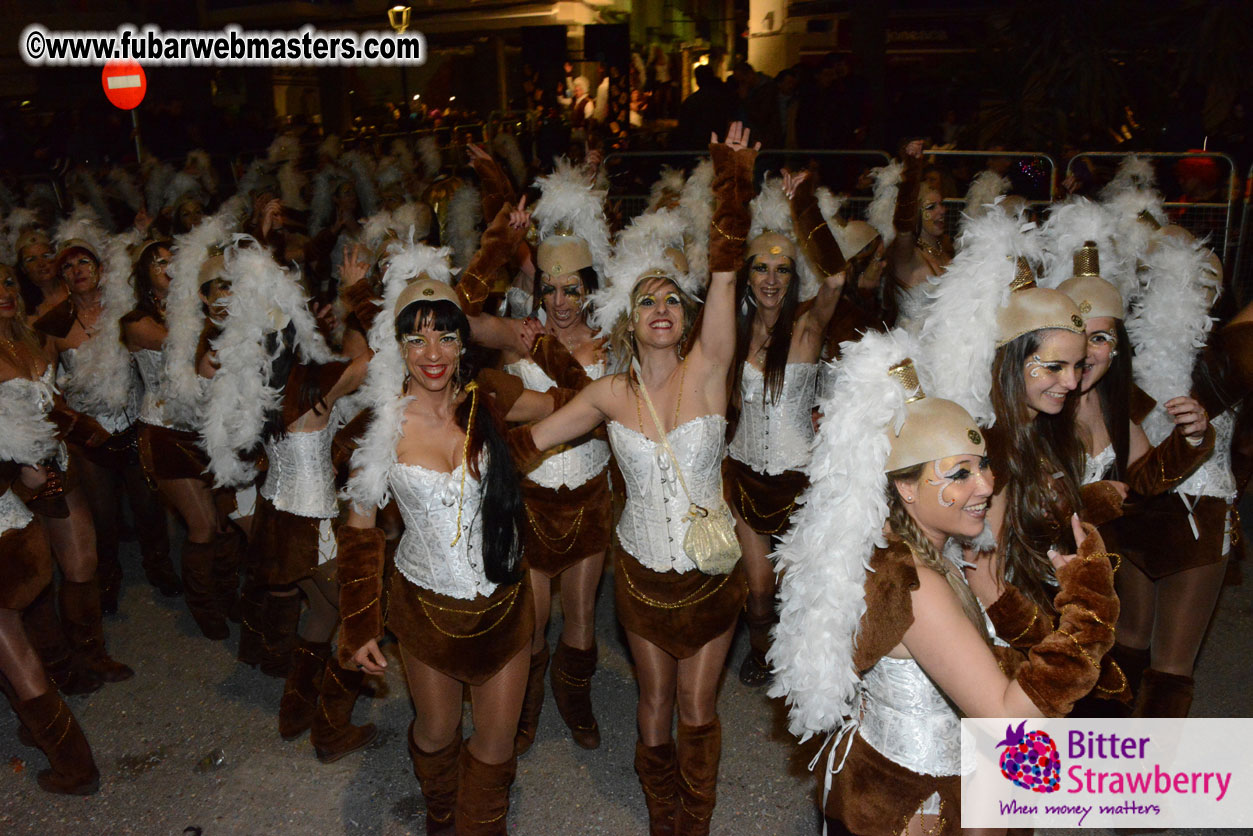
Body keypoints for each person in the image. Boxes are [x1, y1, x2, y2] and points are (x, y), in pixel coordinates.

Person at [769, 332, 1117, 836]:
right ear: (906, 487)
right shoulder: (915, 585)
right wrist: (1090, 609)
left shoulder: (910, 547)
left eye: (982, 465)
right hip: (922, 803)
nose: (986, 485)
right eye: (959, 474)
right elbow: (1003, 718)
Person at [512, 124, 756, 836]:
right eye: (647, 301)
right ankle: (659, 808)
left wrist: (731, 177)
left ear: (684, 319)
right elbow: (529, 443)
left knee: (697, 708)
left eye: (670, 302)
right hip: (643, 576)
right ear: (630, 316)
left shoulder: (709, 371)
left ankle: (696, 816)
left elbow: (723, 271)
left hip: (711, 576)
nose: (659, 309)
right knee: (653, 702)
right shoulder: (607, 393)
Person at [338, 236, 554, 835]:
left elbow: (569, 402)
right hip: (426, 609)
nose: (432, 352)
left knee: (496, 743)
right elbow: (360, 531)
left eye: (447, 335)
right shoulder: (379, 429)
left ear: (464, 342)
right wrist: (358, 627)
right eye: (416, 337)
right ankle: (439, 814)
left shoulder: (490, 399)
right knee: (436, 733)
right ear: (398, 346)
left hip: (505, 602)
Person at [727, 172, 845, 686]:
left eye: (781, 270)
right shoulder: (729, 333)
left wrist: (802, 206)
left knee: (801, 589)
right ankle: (759, 655)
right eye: (761, 269)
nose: (770, 279)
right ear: (748, 275)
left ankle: (801, 672)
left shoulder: (806, 328)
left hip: (799, 482)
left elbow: (837, 280)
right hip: (744, 476)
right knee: (758, 588)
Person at [0, 265, 100, 795]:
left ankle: (68, 743)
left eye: (7, 283)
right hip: (16, 492)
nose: (4, 294)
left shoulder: (31, 341)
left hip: (41, 482)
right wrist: (15, 469)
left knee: (45, 589)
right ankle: (66, 750)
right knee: (14, 622)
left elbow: (52, 408)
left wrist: (93, 437)